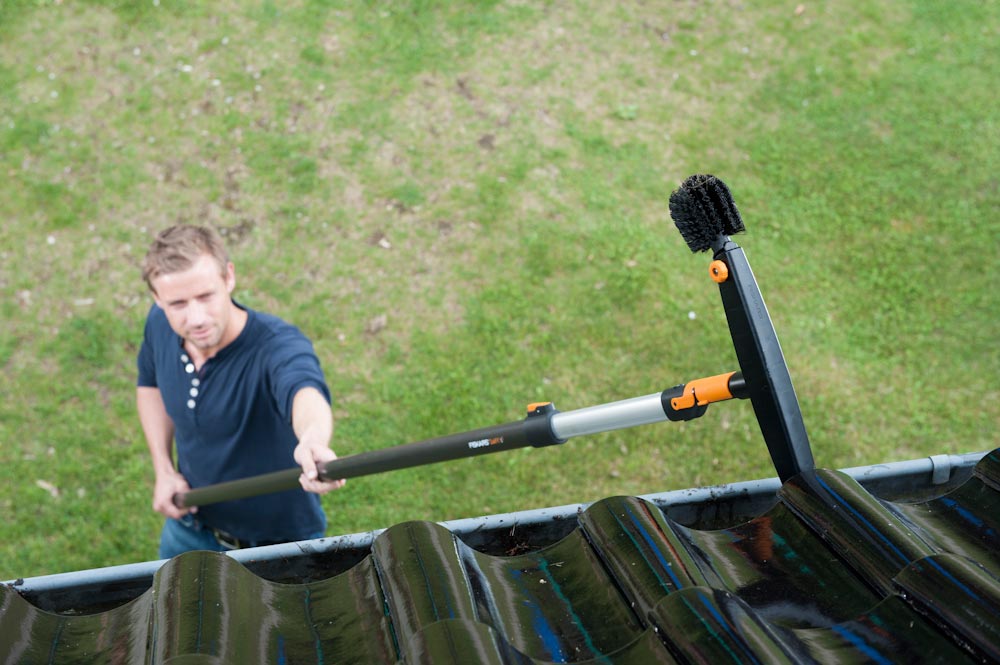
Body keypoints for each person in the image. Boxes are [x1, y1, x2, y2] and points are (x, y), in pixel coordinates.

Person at [136, 224, 345, 559]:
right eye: (178, 303)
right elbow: (149, 384)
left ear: (228, 277)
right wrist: (163, 468)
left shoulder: (276, 347)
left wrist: (313, 439)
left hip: (279, 544)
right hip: (189, 526)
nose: (196, 318)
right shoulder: (160, 324)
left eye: (206, 296)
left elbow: (302, 388)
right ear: (157, 299)